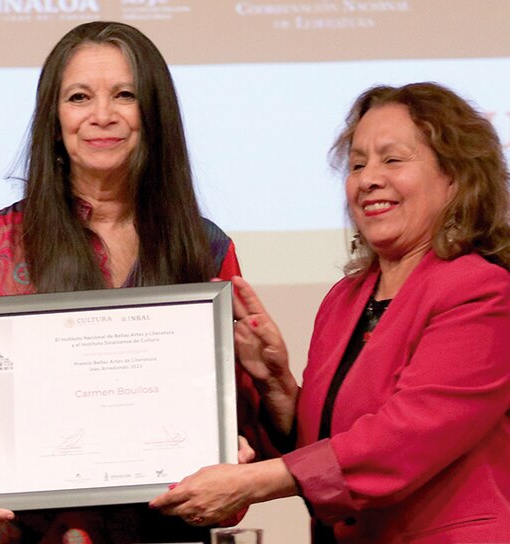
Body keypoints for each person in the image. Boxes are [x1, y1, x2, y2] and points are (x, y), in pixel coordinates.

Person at [0, 21, 268, 544]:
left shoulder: (206, 250)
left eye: (125, 96)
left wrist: (237, 459)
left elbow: (241, 435)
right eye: (79, 97)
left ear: (152, 114)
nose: (102, 115)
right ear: (54, 118)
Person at [152, 82, 510, 542]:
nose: (368, 178)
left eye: (392, 159)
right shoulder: (345, 300)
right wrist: (278, 388)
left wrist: (251, 482)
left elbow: (403, 441)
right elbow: (330, 446)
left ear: (456, 177)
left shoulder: (483, 291)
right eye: (358, 163)